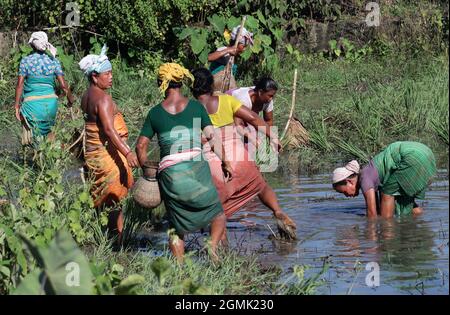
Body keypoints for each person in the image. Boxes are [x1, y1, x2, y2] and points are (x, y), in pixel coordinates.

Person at [135, 63, 232, 262]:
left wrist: (147, 169)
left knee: (174, 225)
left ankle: (179, 268)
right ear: (181, 82)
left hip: (170, 174)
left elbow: (140, 147)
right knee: (218, 215)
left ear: (161, 83)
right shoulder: (196, 107)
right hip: (196, 168)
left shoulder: (155, 113)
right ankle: (212, 247)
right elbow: (212, 138)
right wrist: (226, 162)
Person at [191, 68, 296, 242]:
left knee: (218, 212)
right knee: (260, 186)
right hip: (239, 157)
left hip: (215, 166)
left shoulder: (190, 108)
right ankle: (277, 211)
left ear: (192, 88)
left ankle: (221, 254)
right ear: (211, 85)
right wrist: (273, 138)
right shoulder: (227, 100)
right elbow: (255, 119)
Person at [79, 45, 139, 240]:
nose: (111, 77)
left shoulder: (86, 95)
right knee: (114, 194)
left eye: (111, 73)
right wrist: (127, 153)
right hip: (106, 155)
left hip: (92, 152)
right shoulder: (103, 99)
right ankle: (117, 236)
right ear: (95, 77)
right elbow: (108, 130)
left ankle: (103, 232)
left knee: (101, 191)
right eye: (107, 74)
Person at [332, 141, 436, 218]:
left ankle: (388, 237)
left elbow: (372, 214)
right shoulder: (371, 173)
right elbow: (377, 210)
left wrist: (370, 241)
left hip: (411, 157)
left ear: (349, 181)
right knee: (405, 203)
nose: (347, 196)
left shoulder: (364, 177)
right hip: (426, 152)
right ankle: (424, 221)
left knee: (387, 194)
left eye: (344, 192)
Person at [14, 31, 74, 146]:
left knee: (34, 139)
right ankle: (50, 159)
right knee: (49, 134)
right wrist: (70, 99)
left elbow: (20, 85)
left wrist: (16, 106)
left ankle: (37, 159)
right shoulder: (53, 61)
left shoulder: (25, 61)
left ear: (32, 45)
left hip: (32, 105)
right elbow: (63, 85)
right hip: (50, 104)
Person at [227, 77, 278, 156]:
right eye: (270, 96)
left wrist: (270, 140)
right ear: (260, 92)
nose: (271, 99)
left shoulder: (267, 100)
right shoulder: (243, 99)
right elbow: (238, 125)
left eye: (273, 96)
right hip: (228, 110)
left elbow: (269, 121)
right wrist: (253, 139)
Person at [208, 26, 253, 93]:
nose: (244, 49)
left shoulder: (235, 56)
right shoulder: (224, 50)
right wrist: (228, 50)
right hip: (215, 85)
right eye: (243, 46)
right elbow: (209, 57)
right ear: (237, 43)